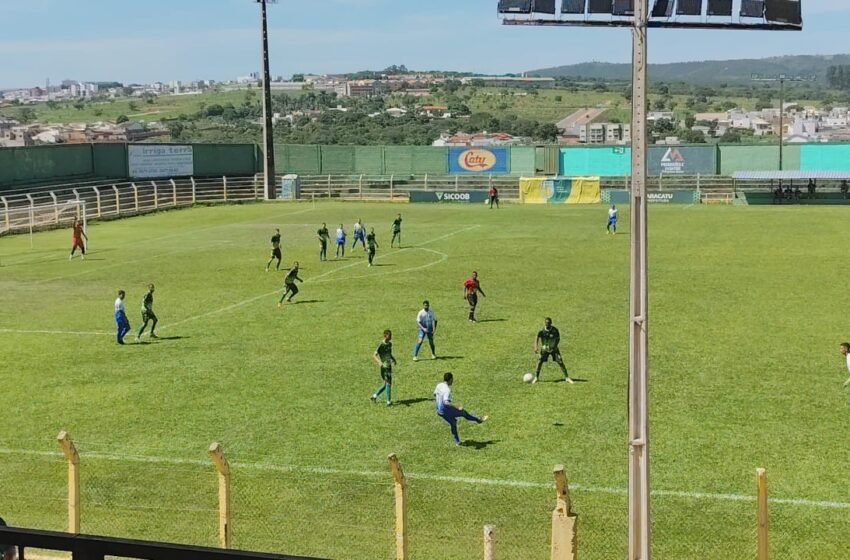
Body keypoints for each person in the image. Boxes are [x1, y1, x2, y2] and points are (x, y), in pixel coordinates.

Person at [434, 372, 487, 446]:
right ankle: (478, 419)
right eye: (452, 379)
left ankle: (457, 442)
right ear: (450, 379)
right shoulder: (447, 390)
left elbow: (435, 394)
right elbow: (446, 402)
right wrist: (457, 407)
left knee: (453, 422)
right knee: (463, 412)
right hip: (445, 410)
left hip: (438, 410)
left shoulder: (439, 385)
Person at [533, 318, 574, 384]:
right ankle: (536, 377)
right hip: (544, 350)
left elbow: (558, 339)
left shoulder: (555, 330)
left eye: (548, 323)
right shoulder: (541, 330)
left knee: (560, 362)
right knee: (540, 362)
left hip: (554, 349)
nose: (547, 324)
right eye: (546, 323)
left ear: (551, 323)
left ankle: (567, 378)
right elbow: (537, 337)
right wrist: (535, 346)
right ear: (545, 323)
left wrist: (554, 346)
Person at [371, 329, 397, 406]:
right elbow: (374, 355)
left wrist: (393, 359)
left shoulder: (390, 344)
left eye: (391, 335)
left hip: (389, 366)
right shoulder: (381, 345)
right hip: (384, 367)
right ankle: (388, 402)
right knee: (388, 383)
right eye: (389, 336)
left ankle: (374, 396)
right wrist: (379, 362)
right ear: (385, 336)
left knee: (386, 383)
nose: (391, 337)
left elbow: (389, 353)